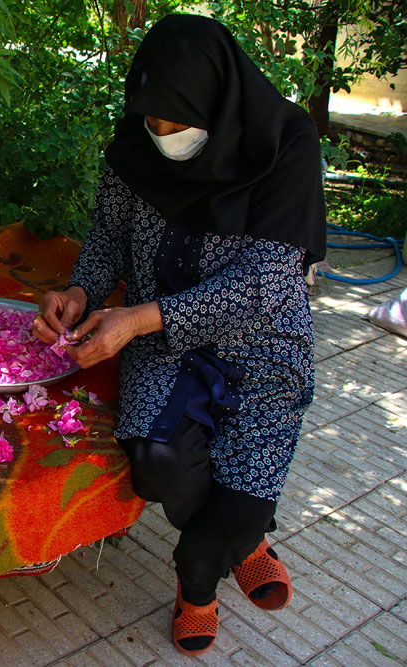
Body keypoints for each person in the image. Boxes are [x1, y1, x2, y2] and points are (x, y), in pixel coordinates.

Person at [32, 14, 326, 656]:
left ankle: (198, 583)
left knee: (228, 512)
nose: (163, 139)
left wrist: (138, 317)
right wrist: (80, 291)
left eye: (178, 126)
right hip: (163, 342)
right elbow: (108, 237)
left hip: (261, 344)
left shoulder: (287, 144)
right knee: (157, 466)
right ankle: (244, 546)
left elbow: (266, 284)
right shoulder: (137, 142)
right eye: (153, 124)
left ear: (218, 103)